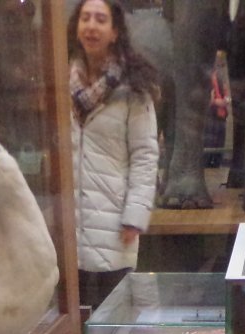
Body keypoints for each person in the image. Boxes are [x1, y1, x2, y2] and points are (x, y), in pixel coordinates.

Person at [68, 0, 160, 312]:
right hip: (70, 225)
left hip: (115, 224)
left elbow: (145, 156)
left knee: (113, 324)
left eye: (100, 19)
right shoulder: (60, 83)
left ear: (115, 31)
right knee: (72, 326)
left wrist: (135, 216)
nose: (91, 26)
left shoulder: (134, 88)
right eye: (85, 18)